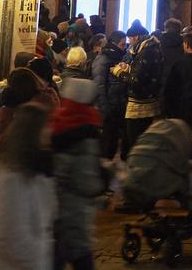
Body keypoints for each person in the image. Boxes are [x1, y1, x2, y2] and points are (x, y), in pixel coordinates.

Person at [0, 102, 57, 270]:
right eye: (46, 126)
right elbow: (13, 236)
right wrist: (41, 258)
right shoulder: (10, 178)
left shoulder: (36, 171)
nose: (50, 132)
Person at [51, 73, 105, 270]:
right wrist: (103, 180)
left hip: (53, 209)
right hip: (75, 212)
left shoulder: (57, 123)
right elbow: (87, 181)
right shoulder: (86, 131)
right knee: (81, 257)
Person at [121, 20, 166, 157]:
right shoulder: (153, 48)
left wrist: (121, 74)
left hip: (139, 104)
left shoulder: (146, 51)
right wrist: (130, 69)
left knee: (134, 140)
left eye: (130, 39)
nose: (129, 42)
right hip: (149, 100)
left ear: (136, 37)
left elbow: (137, 80)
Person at [94, 30, 131, 160]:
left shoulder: (121, 57)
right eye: (122, 44)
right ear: (114, 44)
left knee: (115, 140)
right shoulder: (103, 58)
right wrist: (105, 109)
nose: (124, 47)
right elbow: (99, 86)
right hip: (110, 106)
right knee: (108, 142)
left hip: (119, 105)